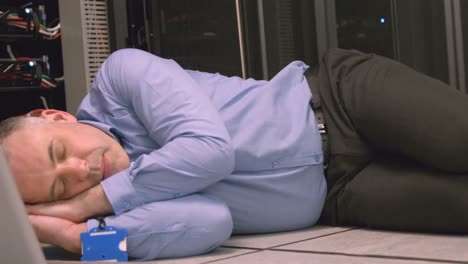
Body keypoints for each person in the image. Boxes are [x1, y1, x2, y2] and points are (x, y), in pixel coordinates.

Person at [0, 48, 467, 260]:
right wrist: (70, 235)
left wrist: (83, 204)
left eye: (60, 151)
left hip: (342, 103)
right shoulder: (121, 198)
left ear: (57, 117)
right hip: (340, 192)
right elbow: (210, 221)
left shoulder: (122, 76)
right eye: (62, 186)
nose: (83, 169)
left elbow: (210, 153)